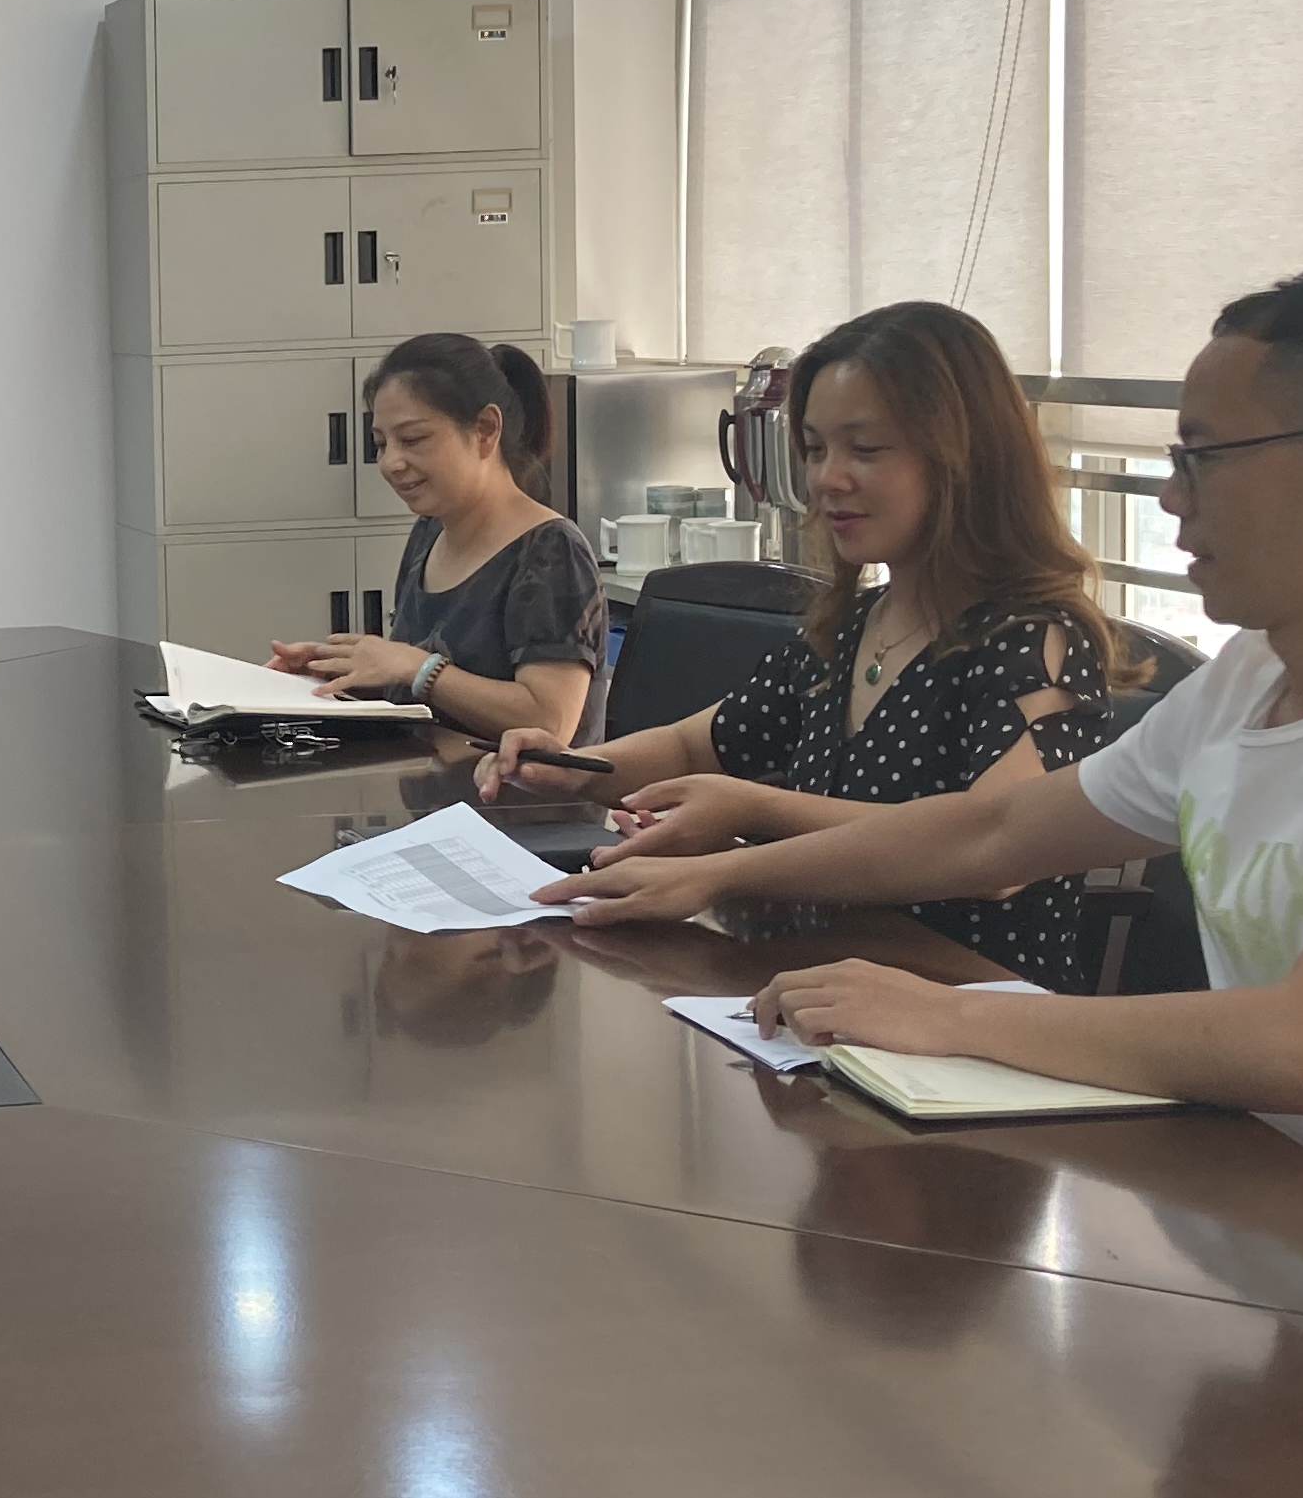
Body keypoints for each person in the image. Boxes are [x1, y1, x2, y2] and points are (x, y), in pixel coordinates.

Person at [545, 270, 1303, 1369]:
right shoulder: (1248, 687)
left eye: (1202, 457)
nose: (1172, 498)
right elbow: (996, 833)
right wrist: (721, 874)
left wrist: (950, 1015)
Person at [479, 299, 1120, 989]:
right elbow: (698, 746)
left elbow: (996, 852)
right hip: (825, 982)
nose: (826, 479)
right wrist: (573, 767)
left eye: (865, 450)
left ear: (965, 457)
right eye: (815, 449)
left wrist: (745, 829)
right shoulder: (853, 626)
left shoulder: (1037, 640)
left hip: (969, 1007)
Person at [268, 333, 602, 747]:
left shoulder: (551, 551)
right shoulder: (430, 532)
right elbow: (420, 690)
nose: (391, 462)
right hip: (431, 780)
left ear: (486, 430)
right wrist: (339, 672)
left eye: (412, 440)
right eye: (381, 444)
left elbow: (550, 723)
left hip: (514, 790)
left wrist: (418, 667)